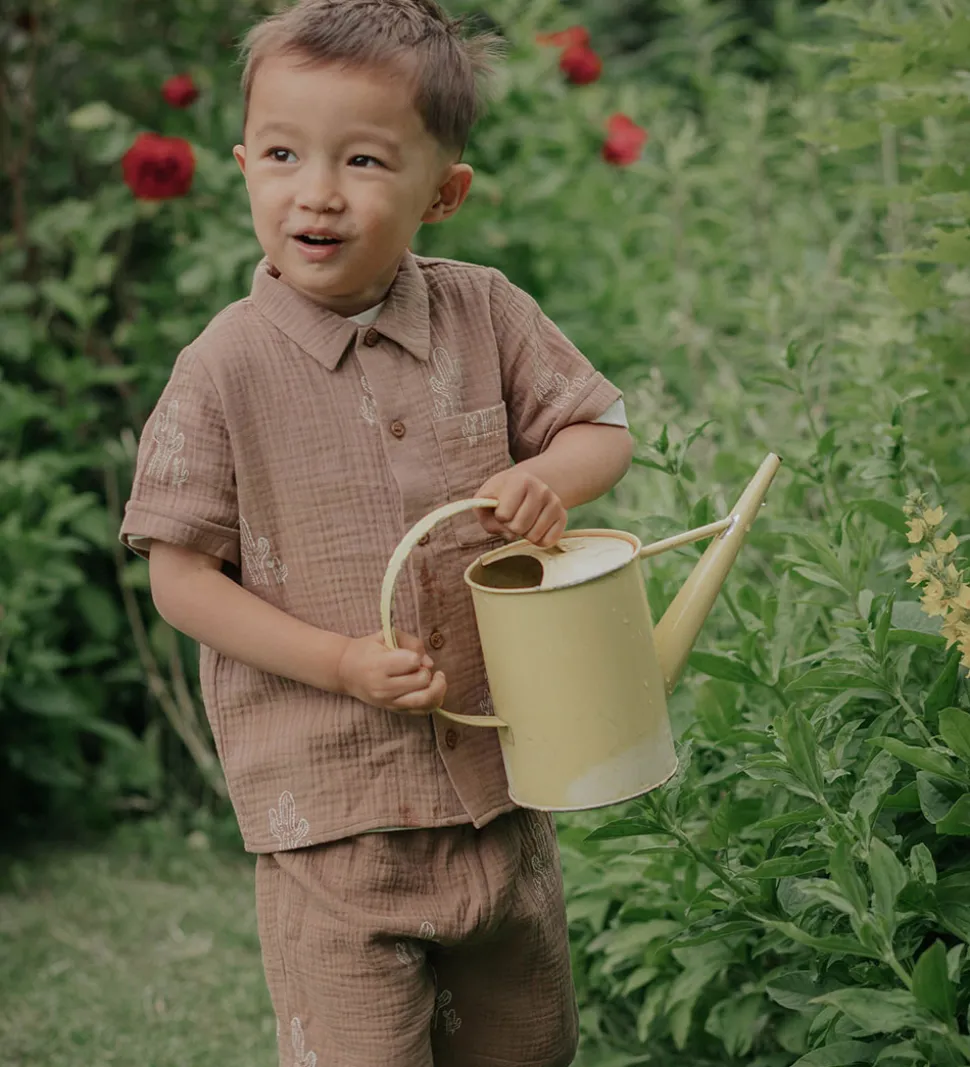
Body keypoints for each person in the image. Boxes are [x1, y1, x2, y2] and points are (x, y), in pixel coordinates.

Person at [119, 0, 633, 1063]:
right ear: (241, 166)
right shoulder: (223, 369)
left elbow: (598, 425)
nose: (316, 191)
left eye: (361, 159)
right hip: (330, 819)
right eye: (281, 153)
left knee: (527, 1037)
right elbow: (181, 576)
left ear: (441, 193)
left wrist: (548, 476)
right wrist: (338, 660)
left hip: (500, 791)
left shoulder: (483, 314)